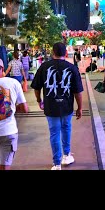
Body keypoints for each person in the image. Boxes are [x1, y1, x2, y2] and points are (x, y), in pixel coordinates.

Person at [31, 42, 83, 170]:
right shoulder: (72, 68)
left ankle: (56, 163)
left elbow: (36, 87)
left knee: (54, 133)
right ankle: (66, 155)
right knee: (66, 129)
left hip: (51, 106)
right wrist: (80, 108)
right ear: (65, 53)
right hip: (66, 107)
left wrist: (39, 100)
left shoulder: (44, 67)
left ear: (52, 52)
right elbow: (78, 92)